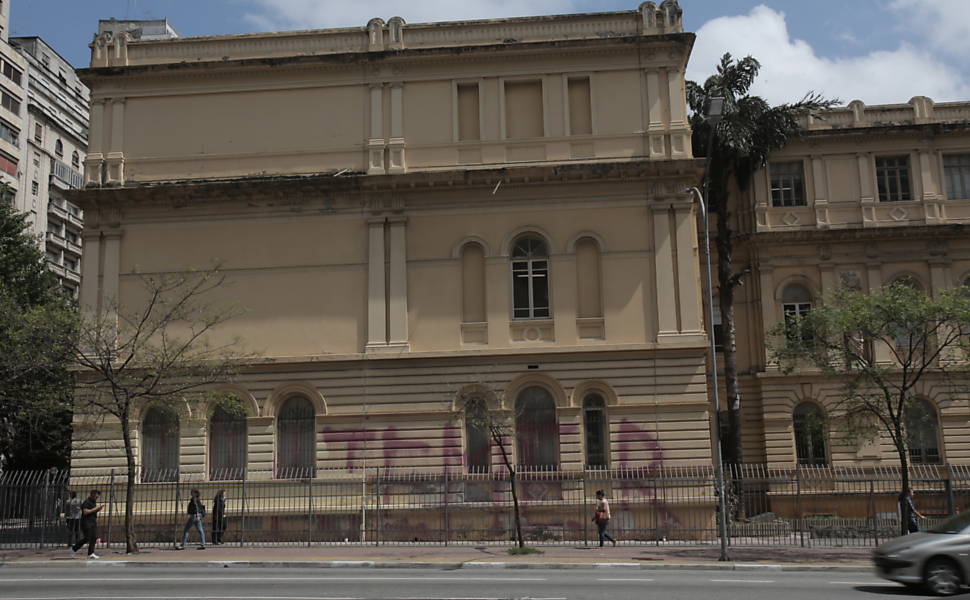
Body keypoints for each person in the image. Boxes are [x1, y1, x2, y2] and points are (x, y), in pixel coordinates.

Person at [70, 490, 102, 559]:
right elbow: (85, 512)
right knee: (87, 538)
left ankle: (91, 553)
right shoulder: (86, 502)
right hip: (86, 522)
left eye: (98, 495)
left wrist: (97, 509)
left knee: (94, 537)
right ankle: (74, 548)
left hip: (93, 522)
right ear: (92, 494)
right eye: (96, 495)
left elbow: (92, 511)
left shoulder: (93, 502)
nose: (97, 497)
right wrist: (96, 509)